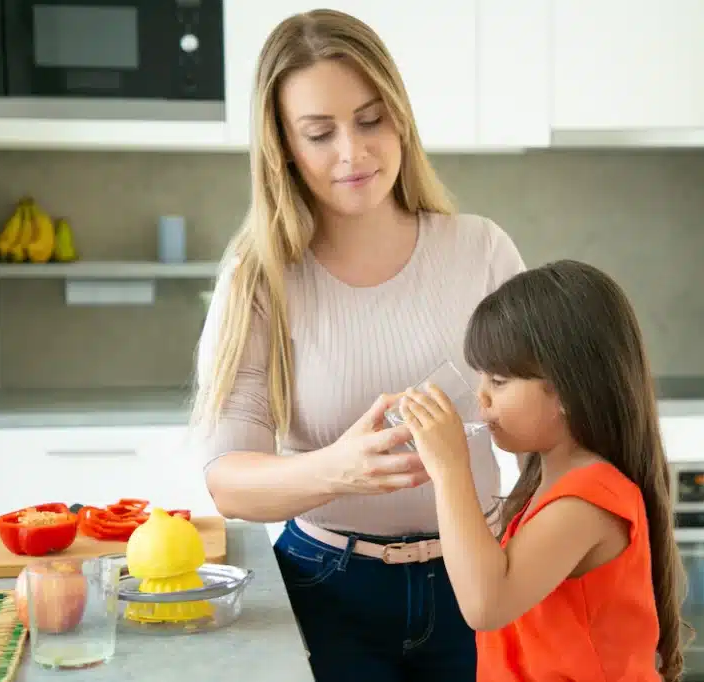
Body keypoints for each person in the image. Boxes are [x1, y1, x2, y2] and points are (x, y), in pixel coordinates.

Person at [190, 8, 526, 682]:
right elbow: (228, 480)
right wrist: (338, 469)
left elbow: (550, 423)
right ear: (283, 146)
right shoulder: (260, 279)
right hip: (326, 591)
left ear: (400, 115)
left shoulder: (481, 251)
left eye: (371, 119)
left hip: (481, 582)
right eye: (320, 133)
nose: (353, 152)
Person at [398, 259, 692, 682]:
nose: (481, 397)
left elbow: (486, 604)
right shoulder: (551, 479)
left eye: (498, 381)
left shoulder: (588, 498)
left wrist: (449, 468)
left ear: (568, 392)